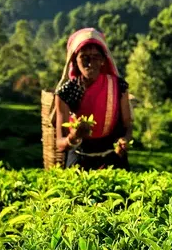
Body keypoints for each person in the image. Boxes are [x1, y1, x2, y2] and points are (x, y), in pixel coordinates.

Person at [52, 28, 133, 170]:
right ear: (75, 61)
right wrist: (73, 137)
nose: (90, 63)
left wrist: (125, 140)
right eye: (84, 57)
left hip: (112, 157)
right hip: (79, 159)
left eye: (96, 57)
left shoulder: (118, 86)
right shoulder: (66, 92)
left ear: (103, 60)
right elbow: (60, 143)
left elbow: (128, 124)